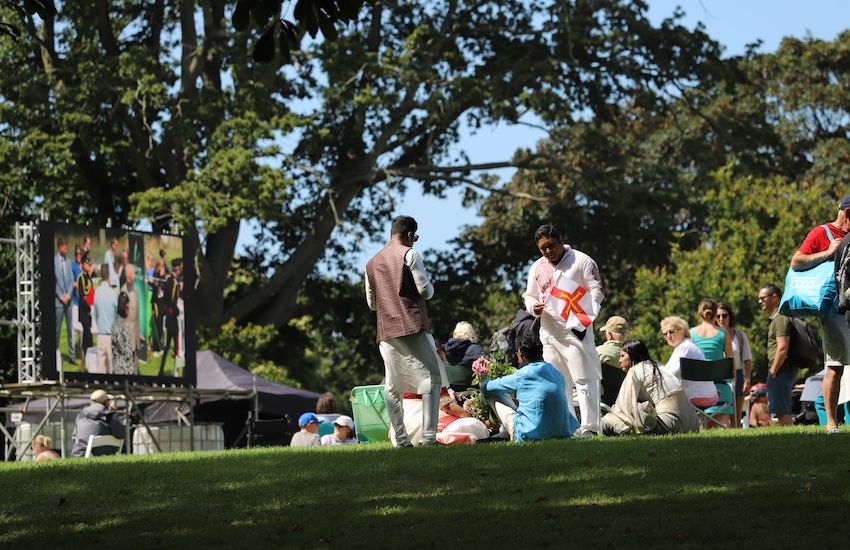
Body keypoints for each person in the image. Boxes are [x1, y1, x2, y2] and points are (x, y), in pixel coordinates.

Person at [365, 215, 448, 447]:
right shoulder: (410, 254)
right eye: (416, 237)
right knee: (432, 379)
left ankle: (400, 440)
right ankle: (429, 437)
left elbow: (372, 304)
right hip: (412, 325)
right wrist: (431, 287)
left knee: (392, 385)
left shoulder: (371, 263)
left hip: (386, 331)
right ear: (410, 234)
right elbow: (425, 290)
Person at [523, 223, 605, 435]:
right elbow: (529, 295)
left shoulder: (582, 260)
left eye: (551, 245)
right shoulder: (537, 267)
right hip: (549, 333)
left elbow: (597, 290)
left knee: (584, 379)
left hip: (576, 331)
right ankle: (569, 426)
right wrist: (533, 307)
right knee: (559, 383)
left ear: (561, 240)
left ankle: (591, 427)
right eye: (543, 248)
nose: (548, 251)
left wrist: (585, 315)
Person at [791, 196, 850, 433]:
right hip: (833, 311)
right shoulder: (822, 232)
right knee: (835, 367)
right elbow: (796, 262)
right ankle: (831, 424)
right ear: (847, 212)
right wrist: (827, 253)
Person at [480, 331, 579, 442]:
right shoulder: (557, 373)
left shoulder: (522, 374)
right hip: (562, 433)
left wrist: (486, 383)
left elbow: (487, 388)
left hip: (528, 434)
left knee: (494, 395)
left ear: (522, 355)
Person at [601, 340, 700, 436]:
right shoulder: (659, 366)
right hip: (693, 424)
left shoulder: (635, 370)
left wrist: (615, 410)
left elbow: (624, 406)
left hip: (671, 425)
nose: (619, 360)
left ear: (632, 356)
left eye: (622, 356)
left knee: (606, 421)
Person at [758, 284, 798, 426]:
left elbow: (782, 347)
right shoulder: (777, 318)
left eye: (763, 298)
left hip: (781, 369)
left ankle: (789, 438)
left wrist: (773, 370)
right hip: (780, 369)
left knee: (782, 409)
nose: (760, 301)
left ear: (774, 298)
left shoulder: (780, 318)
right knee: (780, 408)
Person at [660, 316, 716, 407]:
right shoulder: (686, 345)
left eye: (671, 331)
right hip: (708, 394)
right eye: (665, 334)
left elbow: (670, 375)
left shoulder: (685, 348)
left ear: (681, 330)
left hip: (697, 396)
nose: (668, 336)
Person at [717, 303, 753, 428]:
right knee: (719, 414)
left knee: (736, 416)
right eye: (718, 316)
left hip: (737, 374)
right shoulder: (713, 335)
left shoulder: (740, 335)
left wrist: (747, 379)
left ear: (730, 316)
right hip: (718, 375)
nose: (721, 319)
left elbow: (747, 359)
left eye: (724, 315)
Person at [70, 390, 126, 457]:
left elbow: (74, 437)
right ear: (105, 402)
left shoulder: (80, 415)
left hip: (79, 456)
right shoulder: (109, 415)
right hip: (103, 457)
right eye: (108, 400)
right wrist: (114, 415)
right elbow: (122, 434)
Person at [596, 315, 629, 407]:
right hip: (624, 405)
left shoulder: (598, 353)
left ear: (609, 335)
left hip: (602, 404)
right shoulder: (633, 356)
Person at [158, 259, 183, 376]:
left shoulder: (170, 281)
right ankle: (175, 372)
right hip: (172, 318)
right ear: (177, 269)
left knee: (168, 347)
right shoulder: (172, 282)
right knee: (176, 346)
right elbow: (171, 300)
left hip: (169, 318)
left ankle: (162, 370)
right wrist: (177, 311)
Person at [54, 237, 76, 363]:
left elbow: (72, 279)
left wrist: (68, 294)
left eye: (66, 247)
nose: (66, 249)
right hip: (59, 301)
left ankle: (71, 356)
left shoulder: (68, 261)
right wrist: (61, 296)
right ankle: (56, 353)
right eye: (64, 247)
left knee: (70, 330)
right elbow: (54, 282)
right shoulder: (54, 261)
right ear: (59, 247)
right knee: (57, 330)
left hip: (68, 300)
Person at [93, 264, 117, 374]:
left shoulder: (97, 292)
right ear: (108, 276)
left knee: (100, 368)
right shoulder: (112, 293)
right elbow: (116, 313)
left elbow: (95, 312)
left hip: (100, 334)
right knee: (112, 368)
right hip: (110, 335)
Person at [76, 253, 96, 366]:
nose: (90, 265)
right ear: (83, 264)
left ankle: (88, 362)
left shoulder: (89, 277)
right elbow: (81, 296)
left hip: (89, 312)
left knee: (89, 337)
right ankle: (84, 362)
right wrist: (89, 305)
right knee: (87, 335)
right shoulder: (81, 278)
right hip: (84, 311)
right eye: (88, 264)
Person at [120, 264, 140, 369]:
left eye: (130, 276)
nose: (129, 278)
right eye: (127, 276)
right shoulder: (123, 291)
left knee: (135, 357)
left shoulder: (135, 289)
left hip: (135, 329)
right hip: (127, 330)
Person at [111, 292, 136, 375]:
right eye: (128, 307)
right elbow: (127, 351)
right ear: (125, 308)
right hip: (124, 369)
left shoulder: (114, 322)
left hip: (115, 366)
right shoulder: (124, 326)